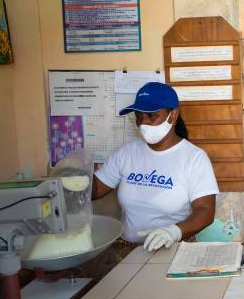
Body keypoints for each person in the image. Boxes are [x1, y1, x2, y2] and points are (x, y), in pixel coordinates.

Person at [91, 82, 219, 258]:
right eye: (139, 116)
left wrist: (173, 232)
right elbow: (95, 189)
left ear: (173, 115)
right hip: (128, 251)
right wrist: (71, 179)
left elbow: (205, 211)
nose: (143, 123)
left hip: (174, 249)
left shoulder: (193, 158)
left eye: (152, 116)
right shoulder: (127, 153)